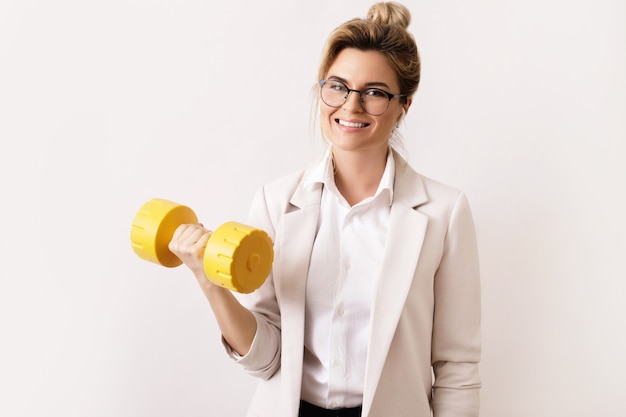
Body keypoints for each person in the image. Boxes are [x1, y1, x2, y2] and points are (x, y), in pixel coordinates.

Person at [168, 2, 481, 416]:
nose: (350, 106)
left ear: (404, 104)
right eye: (337, 86)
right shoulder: (275, 203)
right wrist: (209, 281)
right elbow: (265, 360)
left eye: (374, 93)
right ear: (322, 90)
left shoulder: (444, 213)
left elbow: (456, 366)